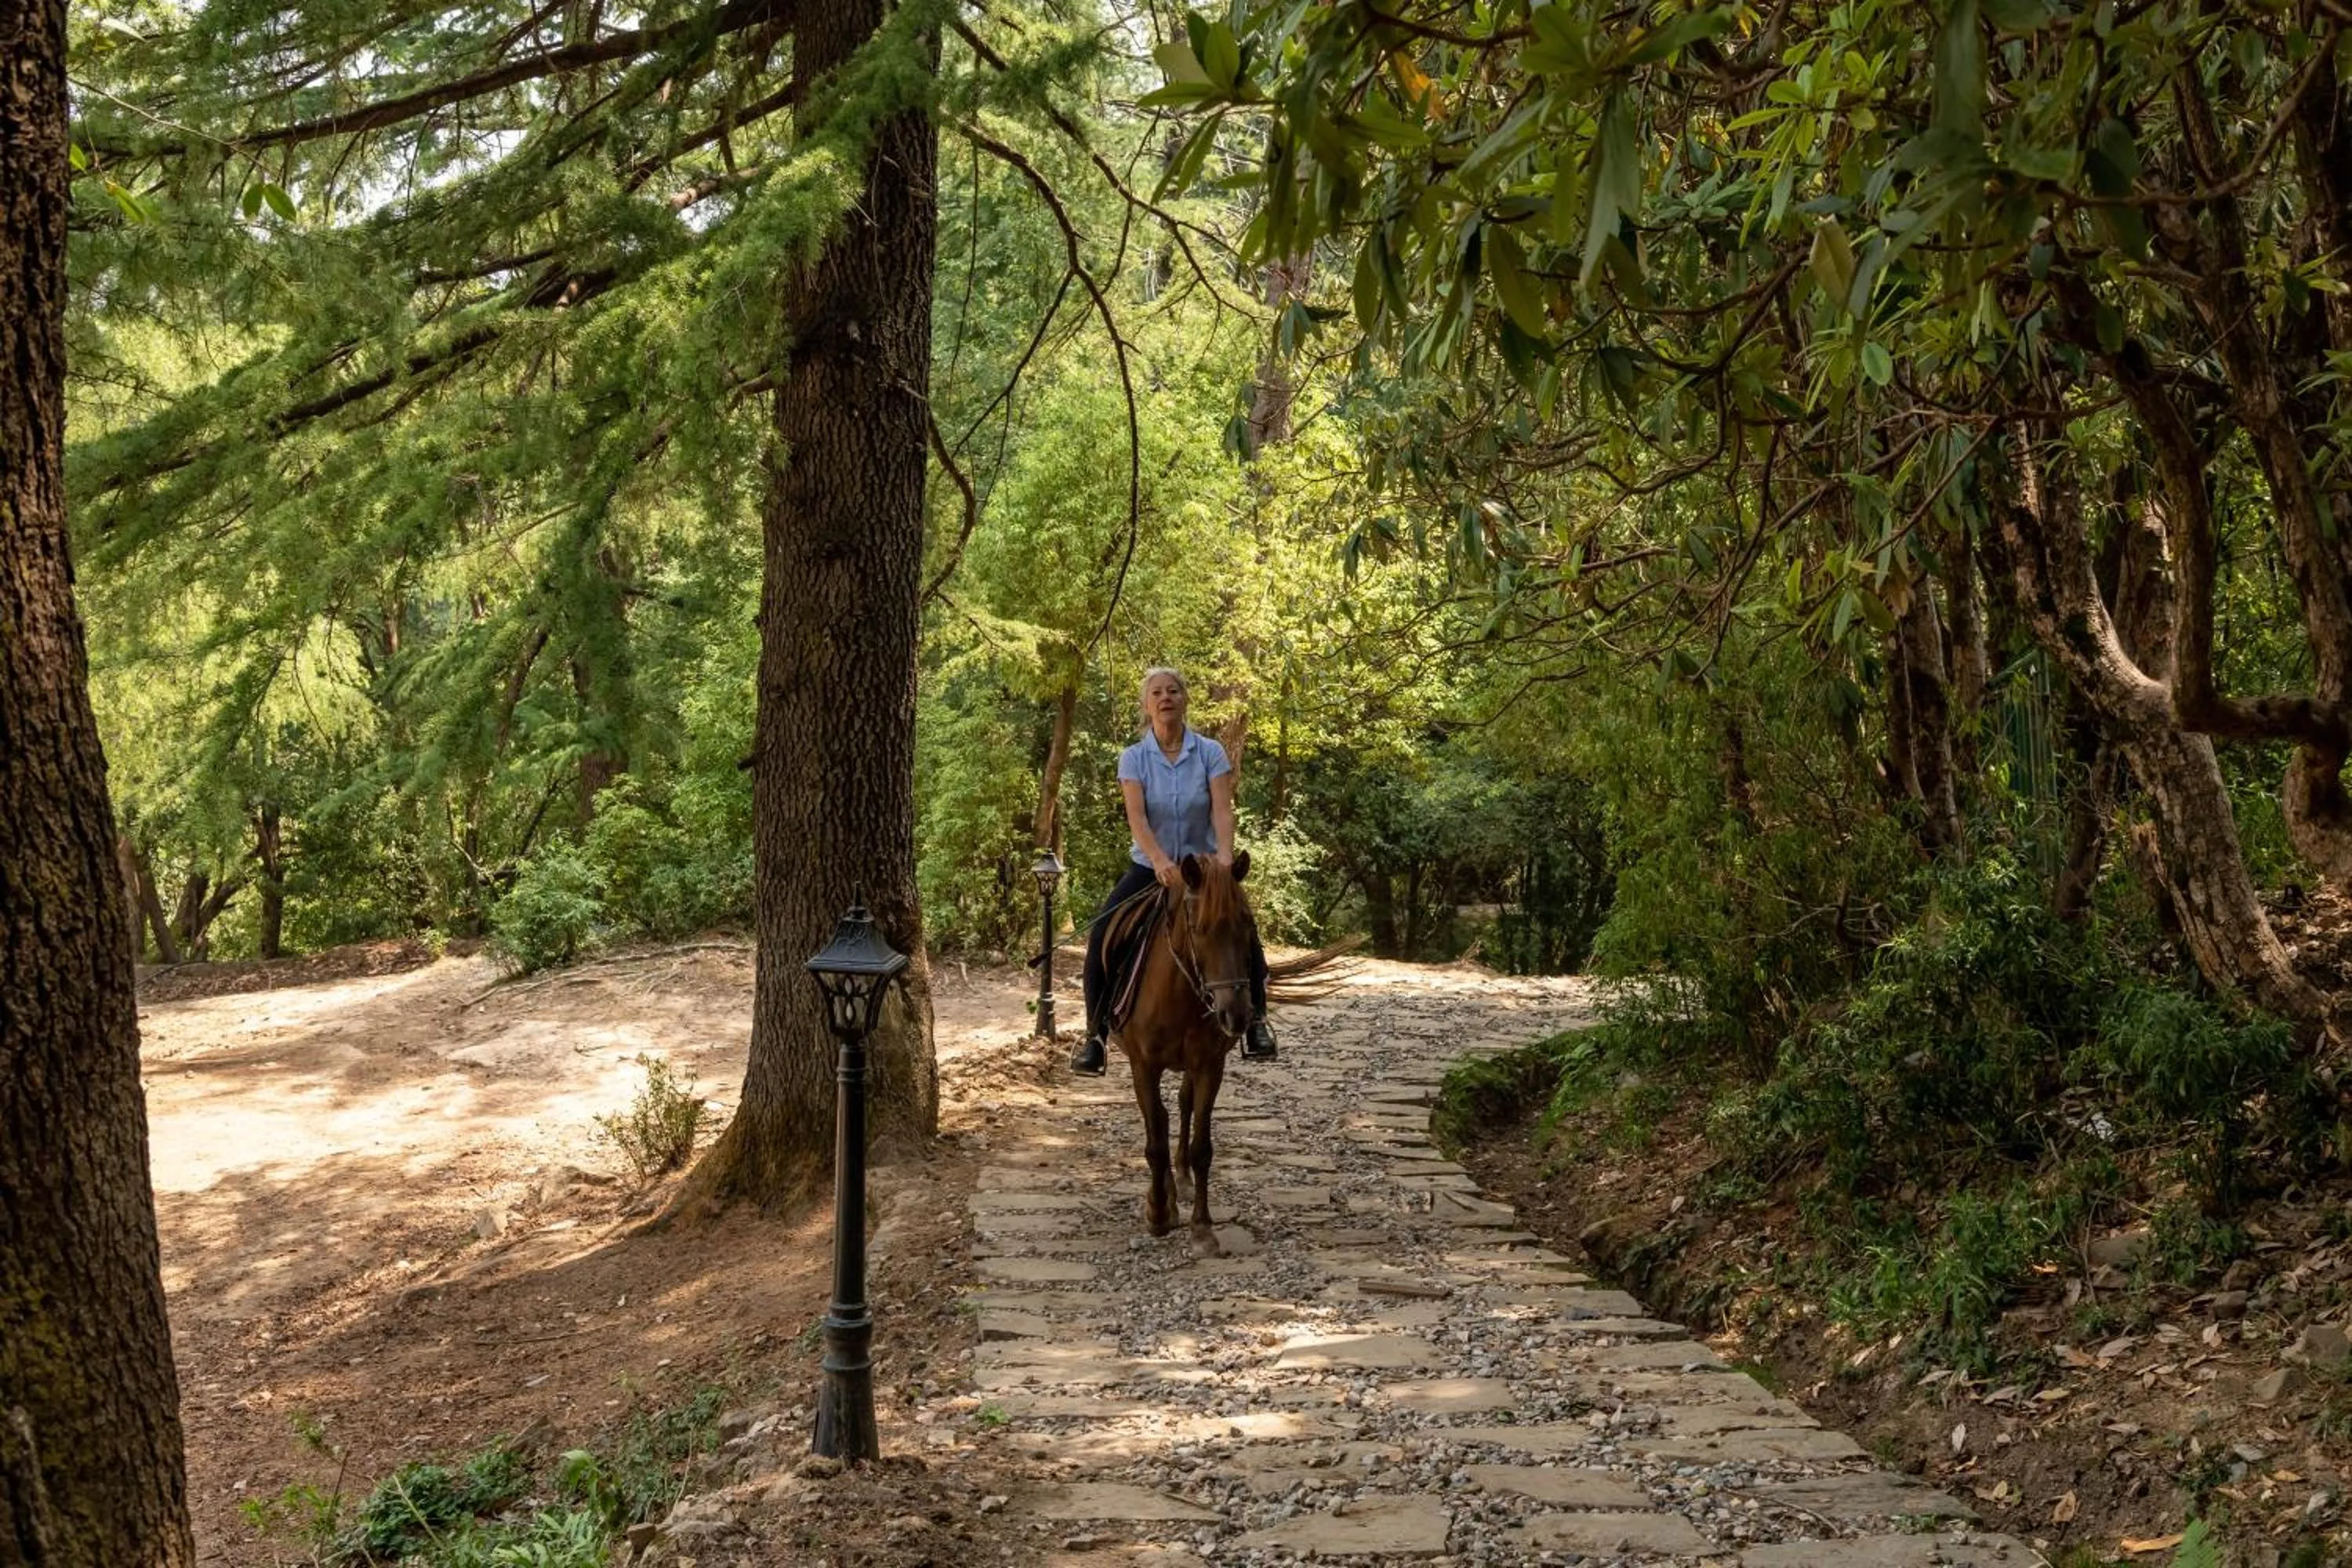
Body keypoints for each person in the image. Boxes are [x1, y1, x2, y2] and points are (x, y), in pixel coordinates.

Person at [1069, 666, 1276, 1075]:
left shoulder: (1211, 752)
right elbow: (1138, 820)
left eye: (1173, 691)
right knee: (1101, 936)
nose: (1166, 698)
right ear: (1147, 705)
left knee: (1242, 926)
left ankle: (1256, 1022)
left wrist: (1224, 861)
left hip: (1204, 869)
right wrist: (1162, 863)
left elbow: (1221, 809)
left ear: (1184, 699)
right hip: (1152, 867)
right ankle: (1095, 1035)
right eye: (1157, 693)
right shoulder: (1133, 758)